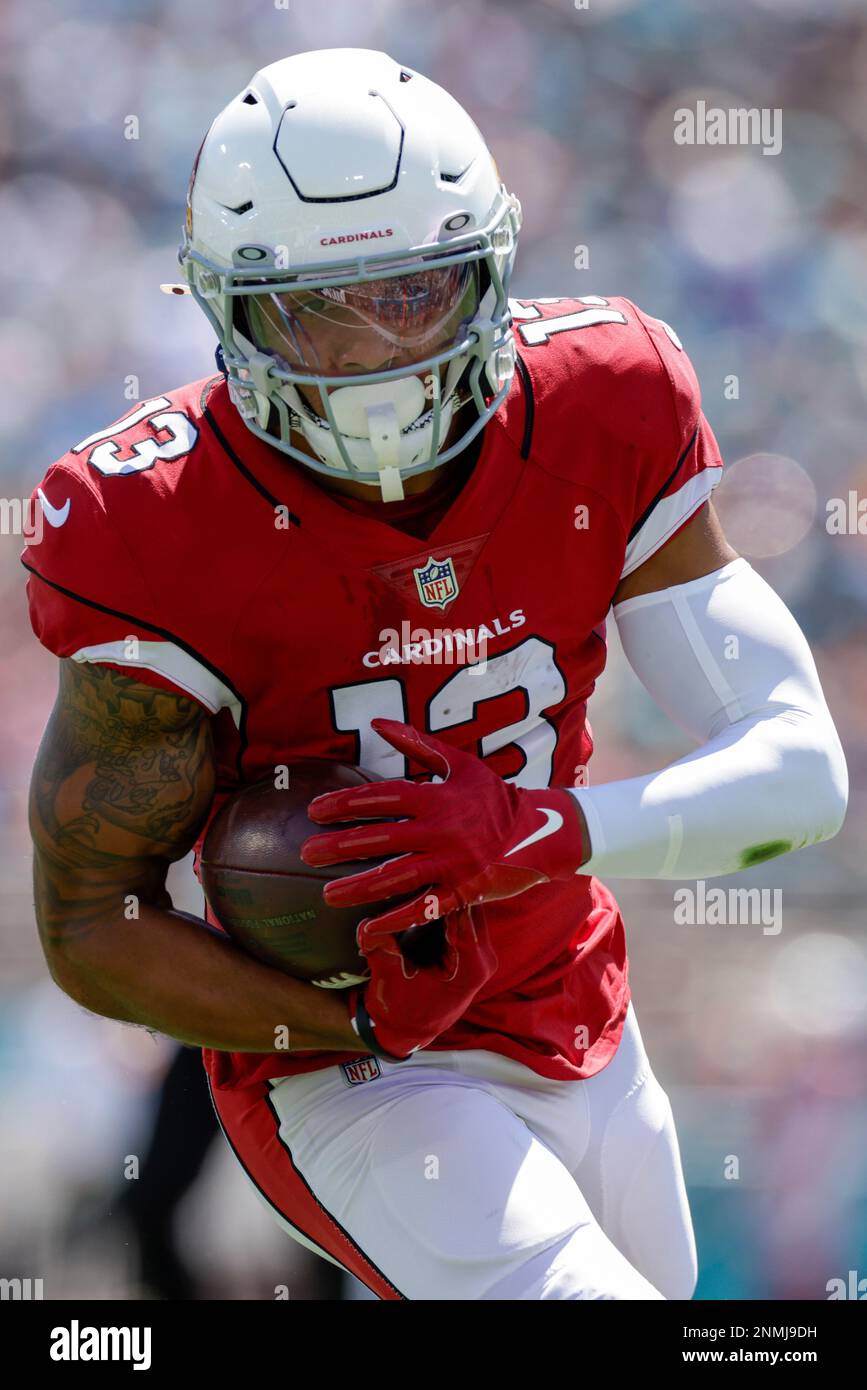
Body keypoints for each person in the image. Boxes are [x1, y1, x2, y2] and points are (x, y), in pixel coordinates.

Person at [23, 48, 847, 1300]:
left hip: (577, 997)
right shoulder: (152, 521)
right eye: (321, 309)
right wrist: (353, 1022)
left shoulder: (603, 402)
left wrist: (534, 836)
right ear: (226, 308)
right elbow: (91, 921)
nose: (378, 351)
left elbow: (798, 774)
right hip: (349, 1059)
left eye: (416, 291)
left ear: (494, 267)